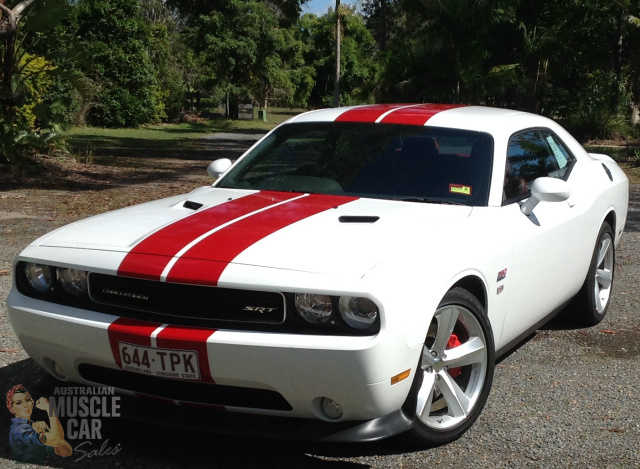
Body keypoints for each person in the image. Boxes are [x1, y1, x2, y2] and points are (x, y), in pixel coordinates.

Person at [6, 384, 72, 463]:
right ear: (12, 409)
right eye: (19, 403)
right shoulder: (19, 431)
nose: (26, 405)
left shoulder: (32, 426)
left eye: (27, 400)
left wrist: (47, 432)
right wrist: (49, 408)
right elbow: (57, 439)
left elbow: (66, 452)